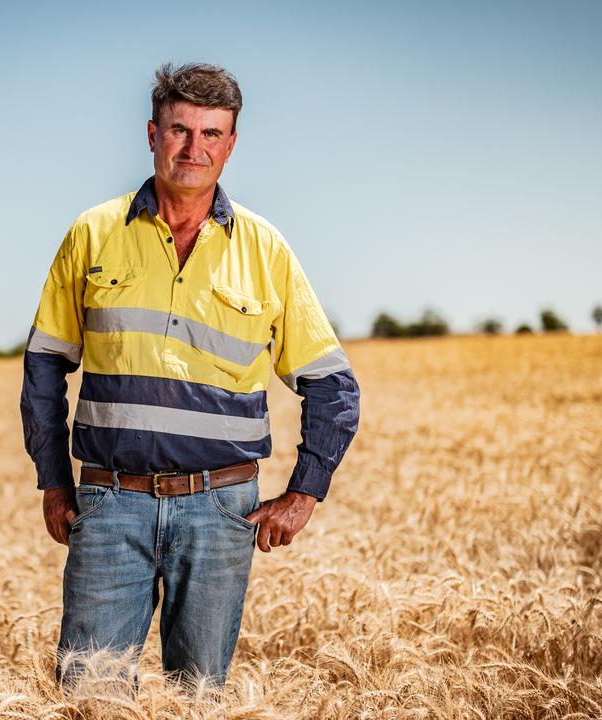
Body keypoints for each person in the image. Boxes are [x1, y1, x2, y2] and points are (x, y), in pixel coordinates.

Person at [19, 62, 360, 692]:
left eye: (211, 133)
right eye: (179, 130)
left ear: (231, 144)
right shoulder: (93, 234)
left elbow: (332, 384)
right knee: (88, 697)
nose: (193, 148)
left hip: (221, 509)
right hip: (108, 503)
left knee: (198, 699)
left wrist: (304, 492)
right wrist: (53, 480)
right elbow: (44, 366)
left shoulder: (266, 249)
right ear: (152, 134)